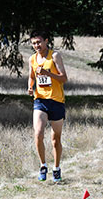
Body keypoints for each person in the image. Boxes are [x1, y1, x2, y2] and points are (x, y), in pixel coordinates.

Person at [27, 30, 68, 182]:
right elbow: (31, 76)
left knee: (55, 139)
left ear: (46, 41)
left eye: (39, 42)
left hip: (56, 101)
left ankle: (56, 169)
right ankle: (43, 166)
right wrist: (30, 87)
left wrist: (47, 73)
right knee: (38, 133)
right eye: (33, 43)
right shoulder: (32, 59)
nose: (36, 45)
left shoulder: (54, 56)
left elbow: (64, 78)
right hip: (40, 100)